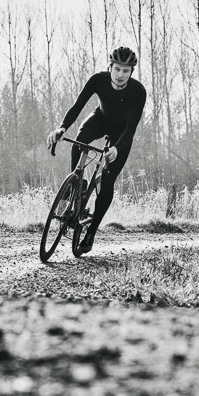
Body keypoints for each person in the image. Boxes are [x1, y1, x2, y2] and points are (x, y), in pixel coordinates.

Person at [46, 46, 147, 254]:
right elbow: (77, 106)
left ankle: (91, 232)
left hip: (122, 134)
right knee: (80, 139)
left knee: (108, 179)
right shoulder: (98, 80)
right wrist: (61, 127)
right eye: (117, 69)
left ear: (131, 72)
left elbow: (131, 128)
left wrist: (117, 148)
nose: (120, 75)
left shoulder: (138, 91)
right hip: (100, 119)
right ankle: (77, 184)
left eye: (126, 71)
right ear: (110, 67)